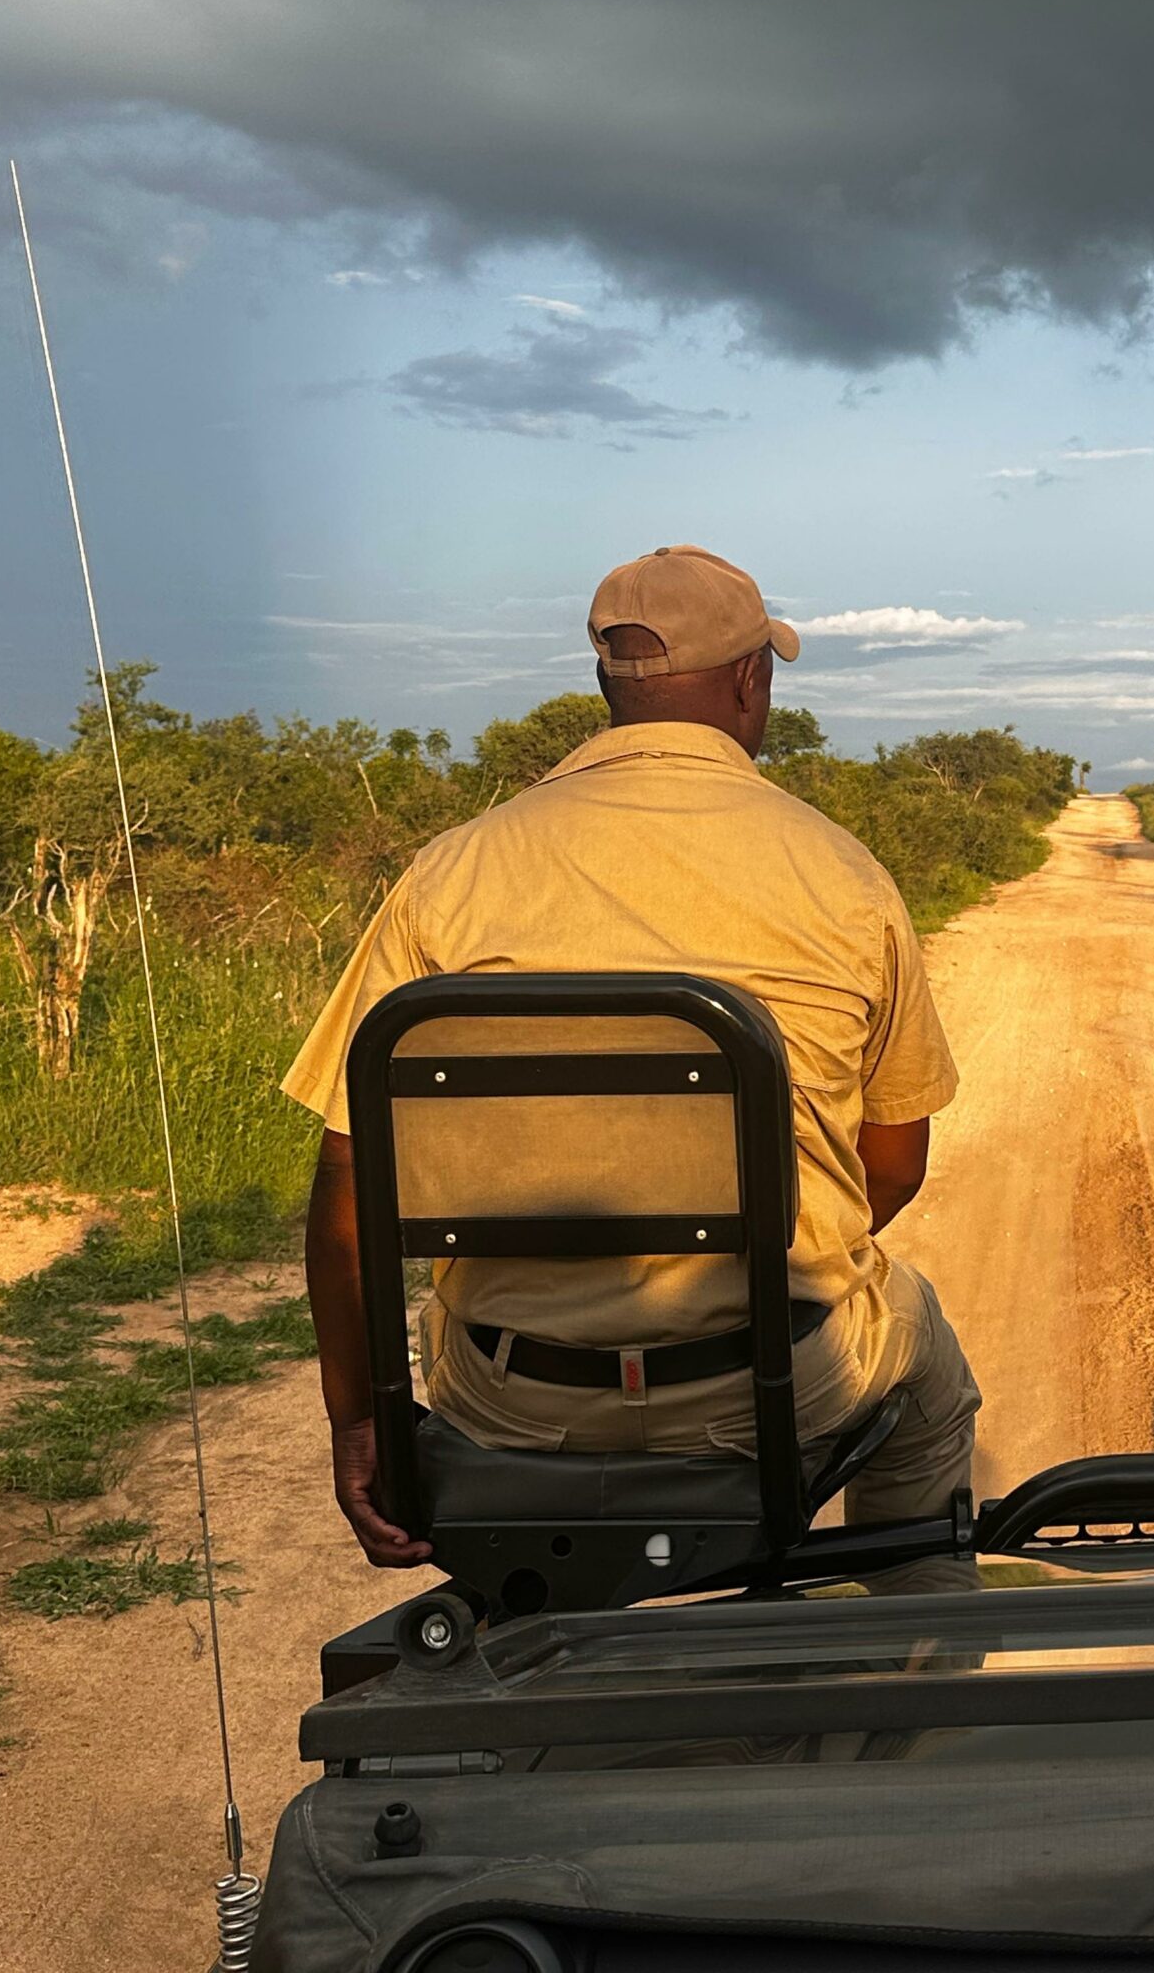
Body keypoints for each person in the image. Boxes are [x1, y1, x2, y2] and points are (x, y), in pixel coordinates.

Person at [292, 543, 979, 1588]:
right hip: (773, 1386)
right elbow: (894, 1166)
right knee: (930, 1382)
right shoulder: (846, 874)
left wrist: (360, 1420)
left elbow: (348, 1191)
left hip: (515, 1397)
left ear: (608, 681)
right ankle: (911, 1649)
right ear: (750, 680)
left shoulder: (450, 872)